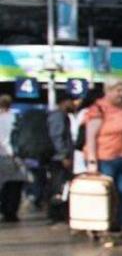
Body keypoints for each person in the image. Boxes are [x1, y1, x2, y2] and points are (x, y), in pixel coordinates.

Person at [81, 80, 122, 240]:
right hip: (105, 159)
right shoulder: (98, 109)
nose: (121, 94)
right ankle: (103, 228)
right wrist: (92, 162)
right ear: (108, 91)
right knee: (106, 196)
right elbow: (91, 137)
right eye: (118, 91)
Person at [41, 92, 77, 223]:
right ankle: (55, 214)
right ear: (64, 102)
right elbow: (57, 137)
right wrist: (63, 156)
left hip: (58, 157)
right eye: (71, 101)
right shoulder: (58, 116)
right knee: (58, 186)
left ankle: (57, 212)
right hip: (58, 159)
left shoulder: (61, 116)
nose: (74, 104)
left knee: (59, 185)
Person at [0, 92, 25, 223]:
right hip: (16, 156)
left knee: (3, 185)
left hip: (1, 156)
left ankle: (4, 210)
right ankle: (12, 212)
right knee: (15, 185)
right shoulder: (16, 118)